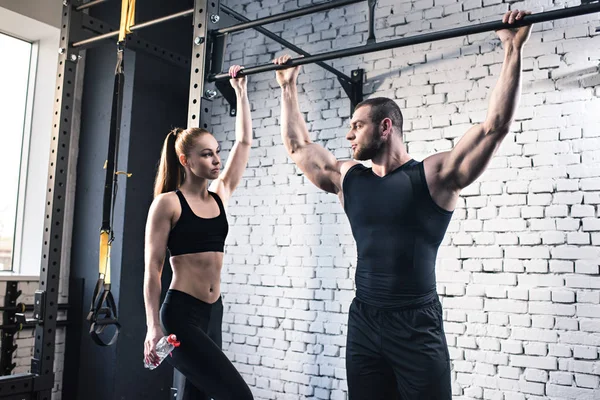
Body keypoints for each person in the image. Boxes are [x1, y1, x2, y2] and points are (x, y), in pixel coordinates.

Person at [273, 10, 532, 399]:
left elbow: (492, 129)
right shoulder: (350, 179)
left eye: (357, 125)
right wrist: (287, 87)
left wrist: (512, 49)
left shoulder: (432, 177)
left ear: (385, 127)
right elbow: (298, 147)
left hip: (416, 326)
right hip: (363, 322)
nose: (348, 135)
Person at [143, 65, 254, 400]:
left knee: (198, 396)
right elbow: (153, 269)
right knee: (239, 395)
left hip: (212, 311)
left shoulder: (219, 195)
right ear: (186, 160)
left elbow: (245, 142)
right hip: (181, 314)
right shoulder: (168, 204)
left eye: (217, 152)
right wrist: (152, 326)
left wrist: (241, 92)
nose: (216, 159)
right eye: (207, 154)